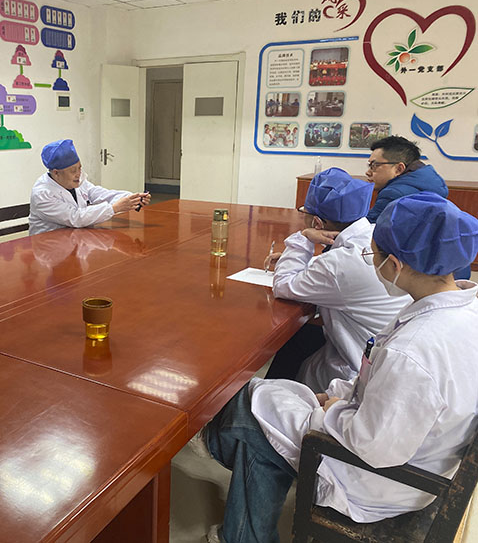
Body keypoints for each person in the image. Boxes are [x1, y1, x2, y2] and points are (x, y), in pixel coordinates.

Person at [197, 192, 478, 543]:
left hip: (381, 481)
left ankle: (231, 494)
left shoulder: (413, 352)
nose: (372, 263)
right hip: (424, 458)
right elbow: (380, 385)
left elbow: (374, 447)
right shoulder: (462, 311)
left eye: (372, 255)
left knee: (251, 414)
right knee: (268, 394)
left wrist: (333, 410)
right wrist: (337, 398)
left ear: (394, 265)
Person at [264, 168, 410, 392]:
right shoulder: (373, 234)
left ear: (317, 223)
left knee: (290, 356)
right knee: (298, 340)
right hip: (386, 351)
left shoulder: (340, 264)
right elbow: (339, 270)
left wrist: (302, 239)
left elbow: (283, 285)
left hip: (357, 370)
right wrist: (295, 258)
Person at [29, 139, 150, 235]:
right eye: (73, 171)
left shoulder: (77, 180)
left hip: (76, 238)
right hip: (49, 247)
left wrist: (131, 198)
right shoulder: (42, 193)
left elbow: (99, 194)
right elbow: (76, 218)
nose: (78, 174)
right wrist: (114, 208)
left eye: (80, 168)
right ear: (56, 173)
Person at [365, 135, 447, 224]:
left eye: (374, 165)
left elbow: (367, 228)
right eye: (369, 165)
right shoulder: (435, 185)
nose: (368, 172)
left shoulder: (393, 194)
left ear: (399, 169)